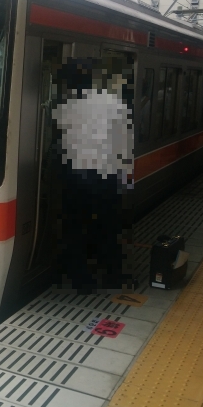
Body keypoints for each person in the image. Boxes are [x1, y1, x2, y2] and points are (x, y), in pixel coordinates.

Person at [52, 63, 133, 292]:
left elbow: (61, 144)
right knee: (109, 227)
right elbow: (124, 146)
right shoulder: (115, 103)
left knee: (75, 228)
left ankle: (81, 280)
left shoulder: (65, 108)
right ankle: (112, 276)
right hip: (108, 176)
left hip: (76, 177)